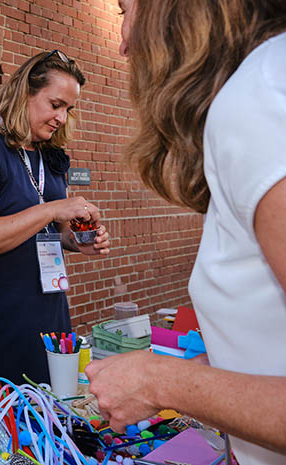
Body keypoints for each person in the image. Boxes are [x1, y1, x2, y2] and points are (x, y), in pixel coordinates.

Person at [85, 1, 286, 463]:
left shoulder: (258, 99)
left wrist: (160, 381)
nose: (122, 43)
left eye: (123, 10)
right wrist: (208, 373)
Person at [0, 50, 111, 403]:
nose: (61, 118)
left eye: (68, 109)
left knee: (48, 427)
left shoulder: (49, 154)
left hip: (49, 316)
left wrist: (76, 240)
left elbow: (50, 229)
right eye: (55, 104)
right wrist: (54, 208)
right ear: (25, 92)